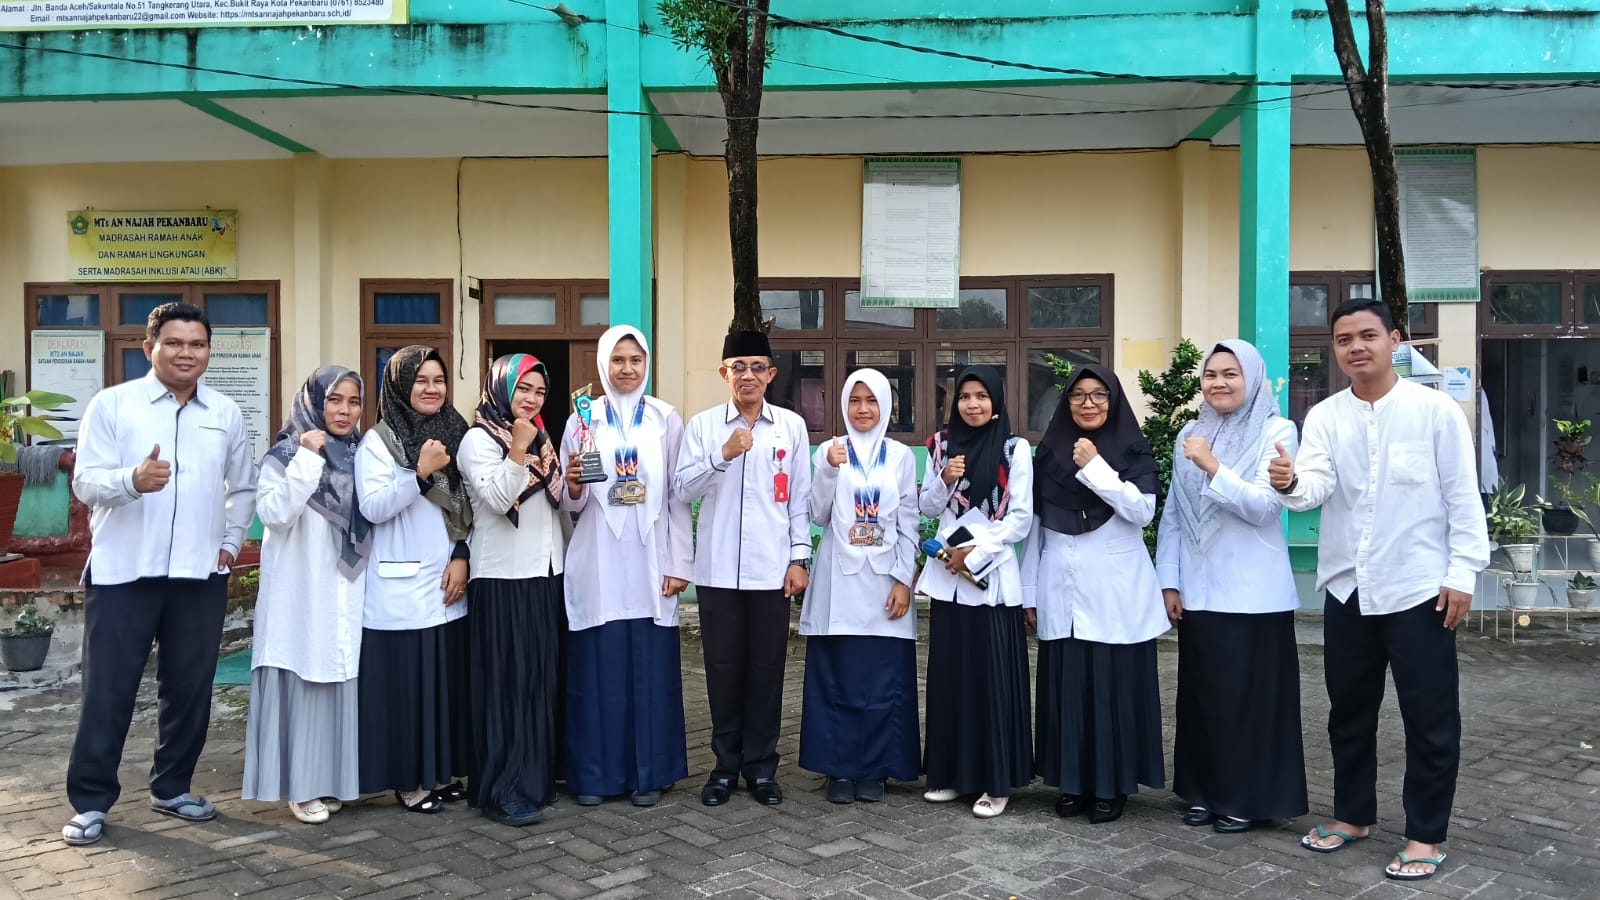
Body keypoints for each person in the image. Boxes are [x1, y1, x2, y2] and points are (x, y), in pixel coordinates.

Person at [1273, 298, 1489, 882]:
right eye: (1344, 339)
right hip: (1348, 589)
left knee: (1430, 718)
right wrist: (1290, 481)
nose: (1356, 347)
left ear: (1395, 340)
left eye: (1368, 335)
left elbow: (1462, 495)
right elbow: (1314, 486)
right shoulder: (1324, 417)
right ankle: (1353, 816)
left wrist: (1462, 573)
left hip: (1421, 589)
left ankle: (1425, 834)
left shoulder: (1435, 411)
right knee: (1348, 713)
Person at [63, 302, 256, 847]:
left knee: (189, 688)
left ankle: (172, 787)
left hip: (199, 574)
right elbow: (85, 482)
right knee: (108, 691)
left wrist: (230, 543)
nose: (186, 353)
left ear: (208, 352)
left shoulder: (225, 412)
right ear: (149, 348)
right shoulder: (113, 405)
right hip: (124, 573)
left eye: (197, 344)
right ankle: (91, 801)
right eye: (174, 343)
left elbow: (243, 487)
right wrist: (132, 480)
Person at [1155, 341, 1307, 833]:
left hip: (1252, 594)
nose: (1218, 382)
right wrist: (1169, 581)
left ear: (1253, 379)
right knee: (1203, 697)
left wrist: (1213, 467)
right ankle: (1203, 791)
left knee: (1248, 701)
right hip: (1199, 590)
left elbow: (1264, 508)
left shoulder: (1276, 431)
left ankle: (1245, 798)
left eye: (1231, 374)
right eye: (1211, 374)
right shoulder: (1190, 433)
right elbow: (1174, 513)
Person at [1022, 363, 1167, 825]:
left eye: (1099, 394)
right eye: (1078, 395)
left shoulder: (1133, 451)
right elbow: (1035, 529)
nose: (1088, 403)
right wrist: (1029, 592)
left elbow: (1142, 512)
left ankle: (1111, 786)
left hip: (1116, 594)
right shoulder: (1048, 454)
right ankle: (1071, 781)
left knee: (1112, 690)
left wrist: (1096, 468)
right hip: (1060, 590)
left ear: (1114, 400)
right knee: (1067, 688)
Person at [674, 329, 812, 808]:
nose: (747, 375)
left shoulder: (791, 427)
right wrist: (723, 455)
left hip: (772, 571)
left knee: (767, 671)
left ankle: (762, 768)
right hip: (717, 572)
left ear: (771, 374)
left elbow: (800, 498)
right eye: (739, 367)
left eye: (757, 367)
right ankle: (724, 767)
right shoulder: (703, 426)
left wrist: (799, 558)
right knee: (722, 670)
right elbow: (682, 489)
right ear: (724, 373)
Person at [561, 326, 693, 807]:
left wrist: (679, 562)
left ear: (647, 364)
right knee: (599, 669)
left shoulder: (664, 419)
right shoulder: (582, 419)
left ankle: (649, 775)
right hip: (598, 556)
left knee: (649, 670)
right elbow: (571, 503)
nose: (627, 368)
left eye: (636, 359)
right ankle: (595, 776)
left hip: (651, 556)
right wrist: (573, 484)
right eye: (617, 360)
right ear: (603, 364)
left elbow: (677, 497)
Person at [243, 366, 371, 825]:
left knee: (336, 677)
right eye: (334, 400)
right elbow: (274, 514)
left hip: (344, 587)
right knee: (302, 676)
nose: (345, 411)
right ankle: (300, 786)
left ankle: (329, 779)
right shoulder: (284, 453)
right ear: (314, 402)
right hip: (299, 590)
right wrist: (307, 457)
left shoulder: (361, 455)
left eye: (353, 402)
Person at [355, 345, 475, 814]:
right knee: (407, 691)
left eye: (438, 380)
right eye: (421, 380)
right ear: (400, 385)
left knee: (442, 687)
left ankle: (439, 774)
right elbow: (373, 507)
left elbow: (468, 508)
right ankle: (409, 781)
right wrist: (420, 474)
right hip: (400, 589)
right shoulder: (379, 441)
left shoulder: (456, 432)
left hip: (448, 584)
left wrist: (462, 553)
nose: (431, 388)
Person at [916, 365, 1034, 819]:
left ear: (996, 402)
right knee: (951, 679)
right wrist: (944, 479)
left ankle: (994, 781)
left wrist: (976, 553)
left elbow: (1019, 518)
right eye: (965, 396)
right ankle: (951, 774)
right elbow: (928, 507)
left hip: (993, 582)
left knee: (991, 682)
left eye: (981, 396)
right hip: (949, 581)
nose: (972, 404)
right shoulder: (941, 445)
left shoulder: (1014, 449)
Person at [799, 370, 920, 805]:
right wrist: (829, 470)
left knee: (882, 679)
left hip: (885, 582)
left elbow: (908, 522)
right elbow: (816, 514)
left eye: (872, 401)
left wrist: (904, 579)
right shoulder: (830, 451)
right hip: (839, 583)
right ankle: (839, 768)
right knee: (839, 678)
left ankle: (877, 768)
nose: (863, 409)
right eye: (855, 400)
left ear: (886, 406)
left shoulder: (901, 456)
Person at [458, 353, 566, 826]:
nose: (532, 399)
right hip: (502, 578)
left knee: (538, 682)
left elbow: (556, 507)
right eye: (523, 388)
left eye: (540, 392)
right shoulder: (478, 439)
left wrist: (570, 482)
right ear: (502, 387)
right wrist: (518, 448)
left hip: (544, 574)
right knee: (506, 687)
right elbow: (500, 499)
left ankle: (535, 781)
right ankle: (502, 791)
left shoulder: (542, 439)